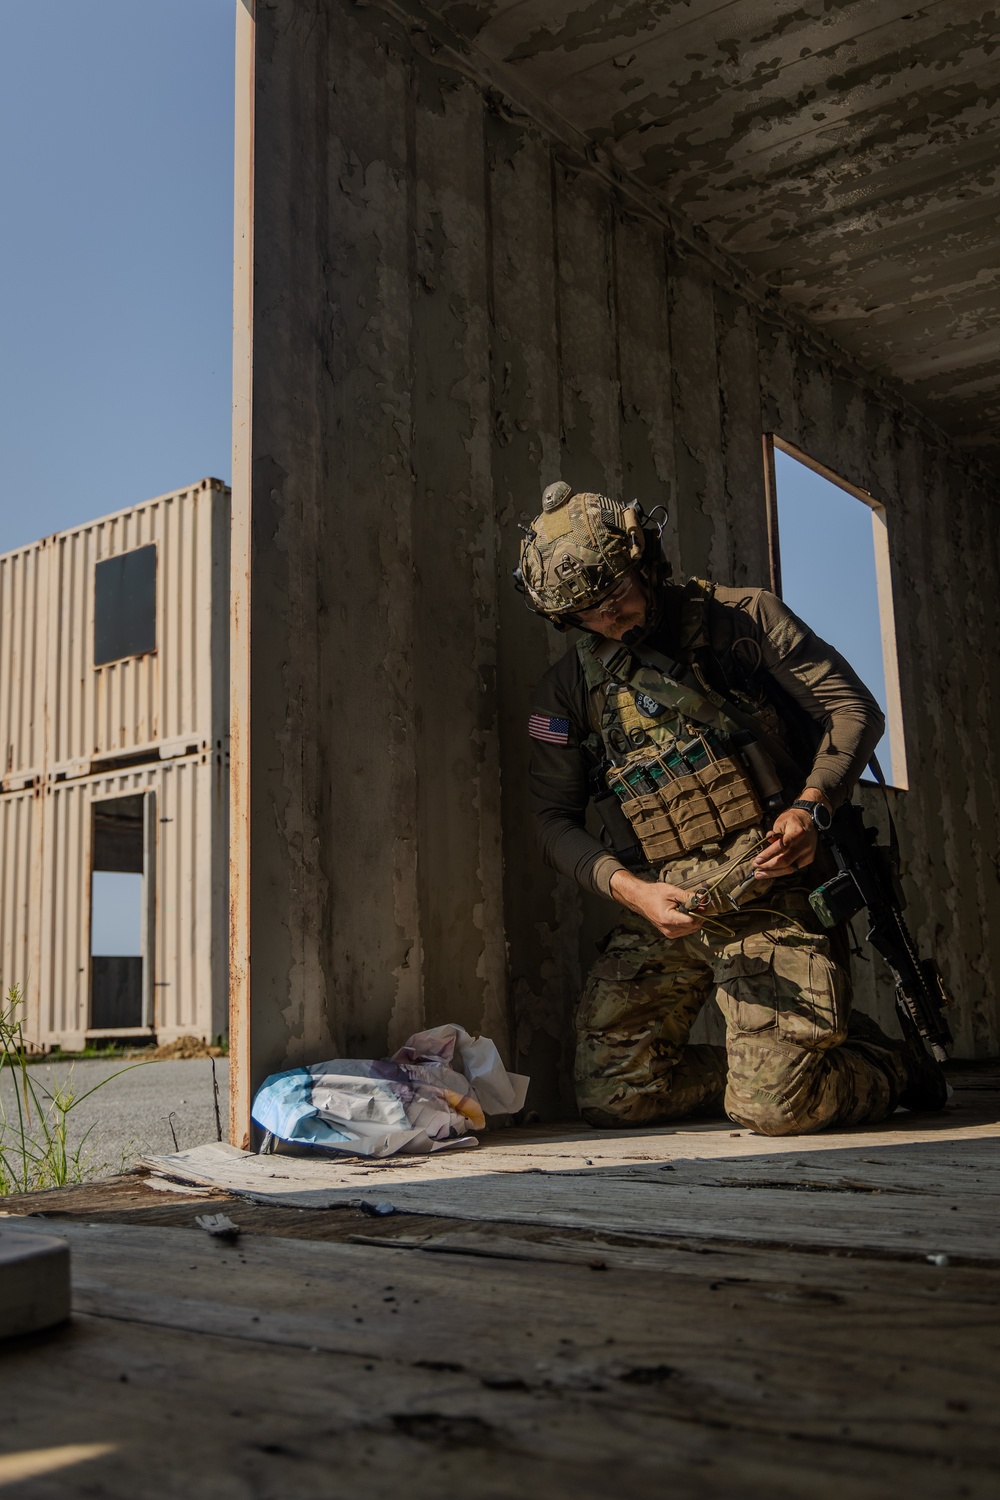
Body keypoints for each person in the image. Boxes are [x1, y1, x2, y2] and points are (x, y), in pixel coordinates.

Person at [515, 481, 947, 1136]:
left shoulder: (742, 619)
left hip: (774, 890)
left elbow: (851, 710)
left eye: (616, 598)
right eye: (586, 615)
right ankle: (777, 1061)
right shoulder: (568, 689)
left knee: (777, 1111)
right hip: (672, 908)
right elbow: (552, 821)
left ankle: (889, 1066)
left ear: (645, 559)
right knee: (614, 1096)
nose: (609, 620)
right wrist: (635, 893)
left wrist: (810, 808)